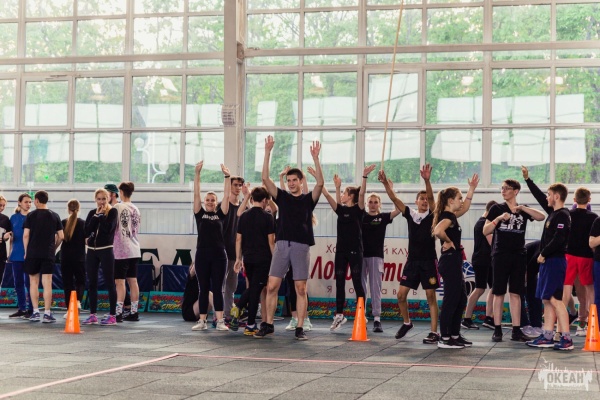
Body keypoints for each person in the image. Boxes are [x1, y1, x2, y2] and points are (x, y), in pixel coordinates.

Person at [254, 135, 324, 340]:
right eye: (289, 180)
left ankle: (300, 327)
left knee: (300, 288)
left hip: (301, 246)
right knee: (272, 286)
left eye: (295, 180)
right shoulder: (282, 197)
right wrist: (267, 152)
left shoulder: (308, 200)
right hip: (282, 245)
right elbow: (265, 179)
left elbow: (320, 183)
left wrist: (316, 159)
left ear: (301, 182)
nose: (292, 183)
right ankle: (268, 324)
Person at [380, 165, 441, 344]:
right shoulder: (410, 214)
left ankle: (434, 332)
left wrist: (427, 180)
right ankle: (407, 323)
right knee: (401, 295)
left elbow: (432, 198)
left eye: (426, 199)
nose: (424, 201)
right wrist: (385, 184)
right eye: (421, 199)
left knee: (431, 297)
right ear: (416, 202)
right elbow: (394, 198)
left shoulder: (432, 214)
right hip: (412, 262)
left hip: (429, 262)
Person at [483, 179, 545, 342]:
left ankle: (516, 330)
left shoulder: (522, 210)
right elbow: (485, 230)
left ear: (516, 191)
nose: (503, 191)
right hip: (500, 255)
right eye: (502, 188)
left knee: (516, 293)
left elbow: (541, 216)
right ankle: (497, 329)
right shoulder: (497, 208)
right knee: (498, 292)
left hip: (519, 256)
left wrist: (523, 208)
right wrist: (498, 219)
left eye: (507, 188)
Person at [522, 169, 572, 350]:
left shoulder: (563, 215)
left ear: (556, 196)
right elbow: (539, 197)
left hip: (554, 261)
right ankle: (547, 336)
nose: (547, 197)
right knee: (546, 300)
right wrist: (528, 180)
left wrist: (543, 253)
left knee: (555, 300)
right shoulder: (553, 212)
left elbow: (559, 239)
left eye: (549, 195)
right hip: (548, 262)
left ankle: (566, 339)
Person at [322, 164, 376, 331]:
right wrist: (328, 183)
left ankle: (361, 314)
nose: (342, 195)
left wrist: (364, 177)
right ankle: (339, 315)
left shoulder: (358, 210)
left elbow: (362, 193)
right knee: (339, 282)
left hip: (355, 251)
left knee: (357, 282)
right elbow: (327, 195)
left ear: (351, 196)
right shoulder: (341, 210)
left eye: (345, 193)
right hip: (341, 251)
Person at [432, 174, 479, 349]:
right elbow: (438, 231)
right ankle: (444, 338)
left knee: (460, 299)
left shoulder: (451, 215)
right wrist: (447, 240)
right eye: (459, 198)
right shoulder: (447, 217)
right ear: (451, 200)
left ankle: (454, 334)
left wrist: (471, 189)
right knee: (451, 300)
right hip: (449, 261)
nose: (461, 201)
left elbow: (465, 207)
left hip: (454, 261)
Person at [191, 161, 231, 331]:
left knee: (218, 288)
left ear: (216, 202)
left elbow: (227, 196)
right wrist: (197, 174)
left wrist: (227, 177)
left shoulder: (221, 214)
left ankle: (220, 321)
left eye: (212, 200)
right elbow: (196, 194)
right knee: (203, 288)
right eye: (207, 200)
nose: (209, 202)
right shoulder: (199, 214)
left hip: (219, 255)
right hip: (202, 254)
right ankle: (202, 321)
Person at [234, 187, 276, 335]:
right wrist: (276, 261)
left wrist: (238, 258)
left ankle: (250, 324)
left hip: (248, 258)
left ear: (252, 199)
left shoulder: (244, 216)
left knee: (254, 289)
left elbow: (238, 239)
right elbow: (271, 242)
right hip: (263, 259)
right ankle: (240, 308)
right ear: (264, 200)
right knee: (254, 290)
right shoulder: (268, 217)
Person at [360, 190, 400, 333]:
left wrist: (391, 191)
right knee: (361, 288)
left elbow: (399, 209)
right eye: (370, 202)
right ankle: (361, 317)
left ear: (379, 204)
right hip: (360, 256)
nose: (372, 205)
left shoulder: (383, 217)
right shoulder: (362, 216)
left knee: (375, 288)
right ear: (366, 204)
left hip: (376, 256)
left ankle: (377, 319)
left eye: (375, 202)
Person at [23, 190, 64, 323]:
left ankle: (35, 312)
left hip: (33, 253)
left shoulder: (30, 215)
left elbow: (26, 235)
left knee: (33, 283)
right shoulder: (54, 216)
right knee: (47, 283)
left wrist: (26, 251)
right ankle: (47, 313)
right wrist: (54, 248)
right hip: (48, 254)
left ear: (36, 200)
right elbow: (61, 236)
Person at [83, 188, 118, 326]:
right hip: (92, 251)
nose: (101, 202)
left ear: (108, 199)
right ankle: (93, 314)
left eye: (104, 199)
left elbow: (108, 230)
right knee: (92, 283)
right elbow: (87, 231)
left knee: (110, 282)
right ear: (95, 200)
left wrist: (102, 216)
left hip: (106, 249)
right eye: (99, 199)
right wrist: (96, 217)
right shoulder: (92, 213)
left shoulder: (113, 212)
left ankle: (113, 315)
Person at [564, 187, 597, 336]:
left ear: (574, 200)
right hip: (586, 257)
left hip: (569, 256)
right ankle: (586, 323)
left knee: (567, 288)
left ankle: (560, 328)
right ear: (589, 200)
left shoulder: (567, 215)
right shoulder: (594, 217)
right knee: (589, 291)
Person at [462, 200, 497, 330]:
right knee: (480, 289)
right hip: (483, 260)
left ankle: (488, 317)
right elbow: (492, 242)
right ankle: (467, 319)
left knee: (493, 287)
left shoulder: (480, 222)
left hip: (485, 260)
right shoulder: (484, 223)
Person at [113, 181, 142, 322]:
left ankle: (118, 312)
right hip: (134, 248)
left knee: (119, 282)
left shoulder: (118, 206)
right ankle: (134, 312)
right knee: (133, 281)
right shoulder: (136, 208)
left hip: (121, 249)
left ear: (120, 192)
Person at [222, 173, 245, 322]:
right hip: (222, 251)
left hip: (236, 253)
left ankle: (228, 315)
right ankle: (219, 316)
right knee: (220, 285)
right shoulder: (223, 206)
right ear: (229, 186)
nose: (238, 188)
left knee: (231, 286)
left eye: (240, 185)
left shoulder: (243, 207)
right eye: (235, 185)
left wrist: (240, 256)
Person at [8, 194, 33, 319]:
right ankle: (22, 308)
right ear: (19, 203)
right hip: (16, 254)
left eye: (30, 202)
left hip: (30, 255)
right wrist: (10, 252)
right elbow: (11, 237)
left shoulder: (33, 217)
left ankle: (32, 309)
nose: (28, 204)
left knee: (30, 283)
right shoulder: (13, 218)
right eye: (26, 202)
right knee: (18, 283)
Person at [60, 199, 86, 313]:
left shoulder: (63, 222)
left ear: (68, 209)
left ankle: (69, 309)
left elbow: (59, 238)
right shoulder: (83, 223)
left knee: (67, 283)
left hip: (65, 257)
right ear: (78, 209)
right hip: (79, 257)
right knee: (80, 281)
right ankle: (78, 301)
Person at [0, 196, 12, 291]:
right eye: (0, 205)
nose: (2, 207)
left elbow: (7, 237)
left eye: (4, 205)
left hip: (1, 254)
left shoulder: (5, 219)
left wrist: (5, 237)